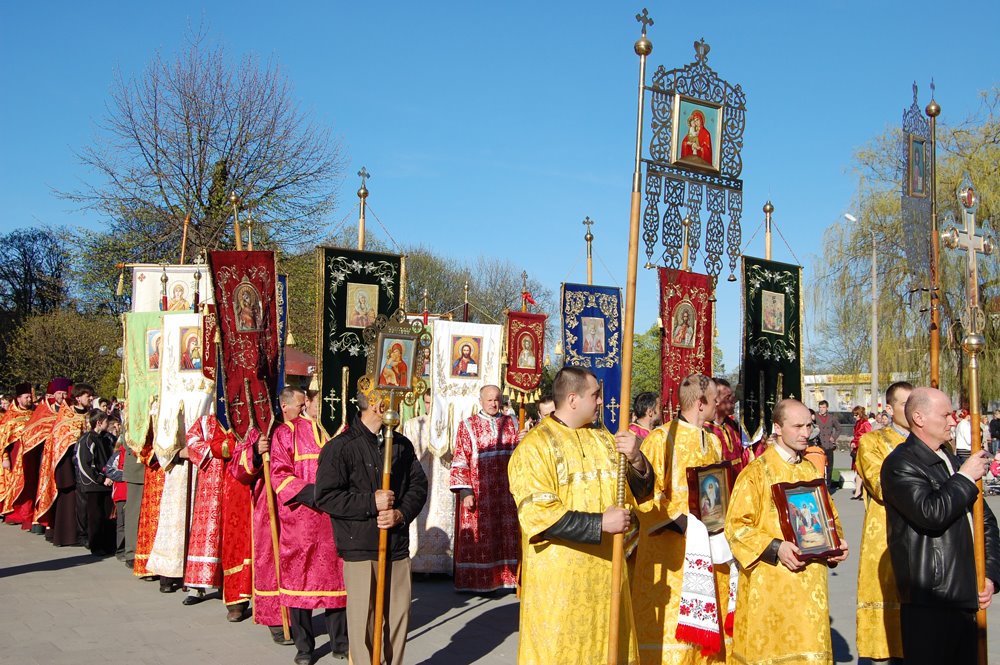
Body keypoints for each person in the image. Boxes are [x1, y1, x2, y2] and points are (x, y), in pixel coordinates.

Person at [508, 366, 654, 664]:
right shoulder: (535, 446)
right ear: (573, 399)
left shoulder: (603, 439)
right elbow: (539, 516)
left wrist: (637, 459)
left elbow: (640, 492)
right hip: (560, 588)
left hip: (607, 581)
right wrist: (601, 523)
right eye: (595, 395)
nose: (601, 402)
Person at [724, 399, 849, 665]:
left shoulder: (809, 470)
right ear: (778, 428)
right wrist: (775, 547)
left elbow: (829, 518)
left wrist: (835, 543)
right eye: (798, 426)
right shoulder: (756, 473)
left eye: (809, 425)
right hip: (771, 587)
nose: (806, 433)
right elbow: (735, 527)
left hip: (811, 587)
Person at [881, 387, 1000, 665]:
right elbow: (930, 513)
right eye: (945, 415)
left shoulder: (950, 459)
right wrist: (965, 478)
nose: (953, 421)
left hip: (965, 593)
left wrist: (990, 574)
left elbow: (985, 521)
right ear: (919, 418)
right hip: (930, 595)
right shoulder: (900, 464)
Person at [315, 390, 428, 665]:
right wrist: (371, 502)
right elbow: (325, 496)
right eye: (391, 400)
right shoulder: (340, 446)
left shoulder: (401, 444)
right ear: (378, 405)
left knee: (398, 619)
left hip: (396, 546)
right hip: (360, 546)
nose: (398, 405)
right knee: (363, 623)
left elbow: (418, 486)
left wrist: (400, 514)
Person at [632, 374, 733, 664]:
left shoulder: (713, 441)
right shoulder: (661, 439)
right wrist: (686, 522)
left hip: (711, 550)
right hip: (673, 556)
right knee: (677, 642)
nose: (718, 405)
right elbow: (645, 498)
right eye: (715, 400)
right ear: (701, 403)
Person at [269, 387, 348, 663]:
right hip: (300, 520)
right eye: (309, 402)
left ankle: (340, 642)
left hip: (333, 521)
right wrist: (316, 494)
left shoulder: (339, 431)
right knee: (299, 583)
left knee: (336, 583)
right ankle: (304, 647)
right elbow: (279, 474)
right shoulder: (286, 432)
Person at [855, 381, 912, 663]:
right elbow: (881, 485)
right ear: (889, 409)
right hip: (886, 535)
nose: (912, 410)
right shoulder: (873, 442)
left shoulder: (933, 441)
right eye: (904, 403)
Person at [449, 385, 520, 593]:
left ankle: (507, 579)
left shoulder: (513, 423)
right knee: (482, 536)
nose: (493, 403)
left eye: (497, 399)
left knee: (506, 535)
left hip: (507, 493)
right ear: (480, 401)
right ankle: (478, 581)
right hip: (481, 493)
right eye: (489, 400)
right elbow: (460, 459)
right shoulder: (467, 426)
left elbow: (521, 454)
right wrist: (466, 492)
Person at [5, 378, 70, 531]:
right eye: (58, 393)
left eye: (64, 393)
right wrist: (5, 457)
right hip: (35, 455)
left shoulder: (68, 411)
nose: (29, 399)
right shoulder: (42, 411)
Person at [403, 391, 455, 574]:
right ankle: (418, 565)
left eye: (432, 402)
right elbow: (409, 452)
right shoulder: (413, 425)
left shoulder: (448, 425)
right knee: (420, 518)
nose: (429, 406)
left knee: (442, 517)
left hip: (443, 481)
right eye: (426, 402)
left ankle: (443, 565)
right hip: (421, 477)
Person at [36, 382, 94, 543]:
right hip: (67, 467)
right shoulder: (67, 416)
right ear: (77, 397)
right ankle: (66, 536)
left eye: (91, 395)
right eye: (87, 395)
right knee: (68, 502)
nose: (90, 398)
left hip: (86, 466)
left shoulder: (90, 414)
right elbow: (59, 444)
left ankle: (83, 533)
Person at [76, 408, 115, 555]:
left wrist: (111, 475)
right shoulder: (87, 440)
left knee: (107, 515)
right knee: (95, 516)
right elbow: (85, 464)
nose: (108, 424)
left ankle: (107, 544)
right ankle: (96, 545)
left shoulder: (108, 438)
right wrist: (100, 478)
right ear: (99, 423)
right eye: (106, 421)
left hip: (107, 482)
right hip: (93, 485)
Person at [0, 383, 34, 516]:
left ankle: (26, 512)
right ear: (18, 398)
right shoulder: (10, 416)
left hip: (30, 454)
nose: (29, 400)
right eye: (26, 397)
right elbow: (2, 441)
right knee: (15, 483)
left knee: (29, 485)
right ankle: (14, 512)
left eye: (30, 397)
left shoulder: (34, 412)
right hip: (14, 455)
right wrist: (5, 458)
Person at [704, 378, 750, 475]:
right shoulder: (704, 430)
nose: (733, 401)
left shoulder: (731, 425)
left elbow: (743, 456)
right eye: (728, 397)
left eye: (732, 396)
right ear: (715, 401)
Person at [815, 400, 839, 489]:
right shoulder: (815, 417)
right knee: (819, 467)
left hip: (829, 446)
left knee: (829, 467)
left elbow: (839, 429)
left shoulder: (831, 418)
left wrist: (834, 437)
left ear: (827, 408)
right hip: (819, 445)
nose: (821, 409)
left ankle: (828, 488)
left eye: (823, 407)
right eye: (820, 407)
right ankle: (819, 487)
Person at [851, 405, 873, 500]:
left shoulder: (865, 423)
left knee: (863, 471)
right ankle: (858, 491)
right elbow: (856, 436)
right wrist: (853, 442)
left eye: (856, 415)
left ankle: (864, 491)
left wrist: (856, 443)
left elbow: (867, 437)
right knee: (858, 471)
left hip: (863, 449)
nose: (854, 417)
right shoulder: (857, 423)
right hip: (857, 450)